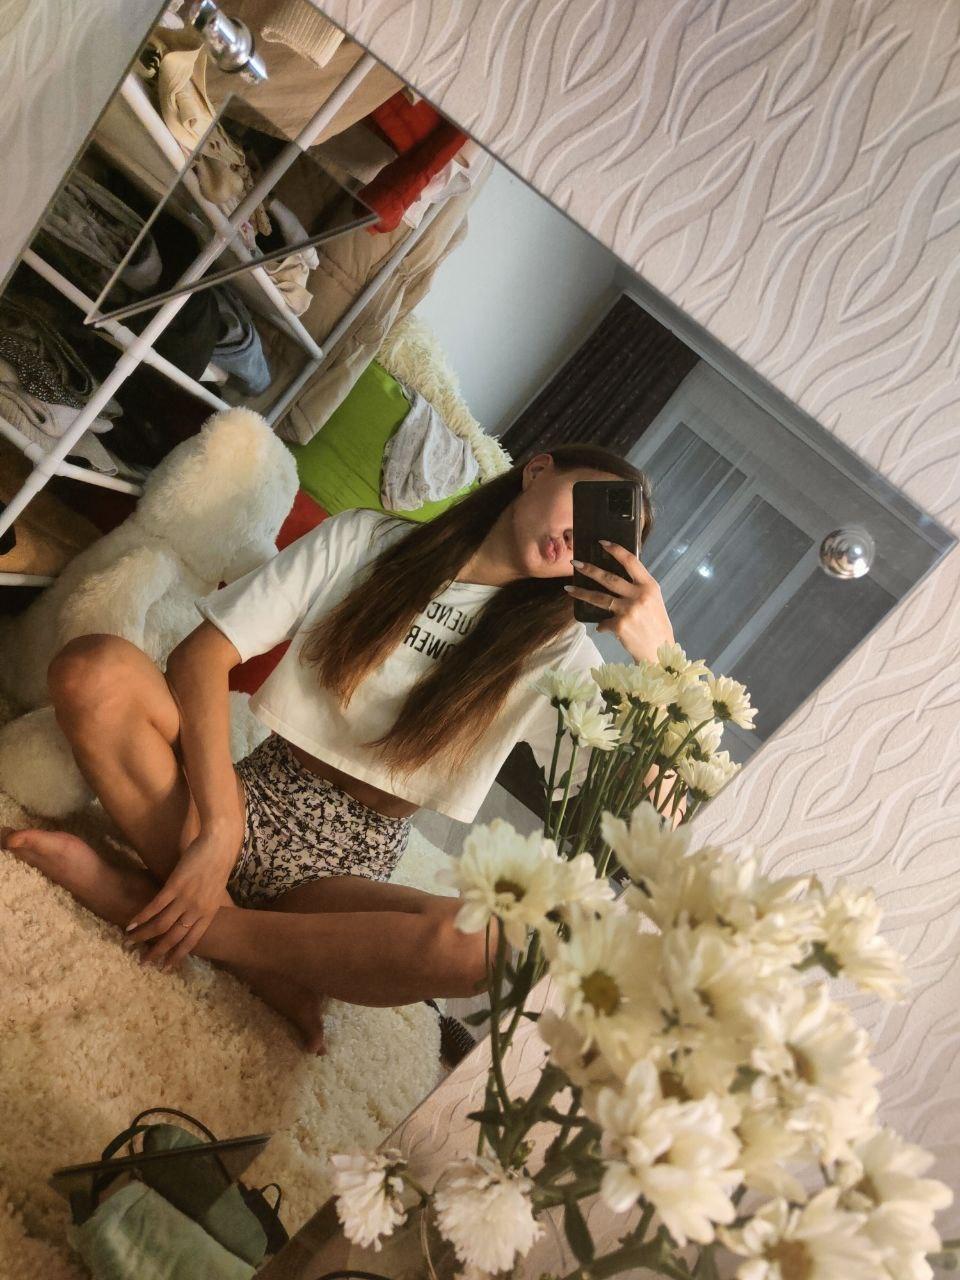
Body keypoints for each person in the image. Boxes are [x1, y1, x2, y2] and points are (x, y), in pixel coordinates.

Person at [3, 446, 675, 1052]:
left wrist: (660, 660)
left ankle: (176, 917)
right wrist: (219, 826)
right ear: (537, 471)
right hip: (239, 797)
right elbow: (202, 656)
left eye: (604, 538)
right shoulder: (366, 539)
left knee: (489, 944)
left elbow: (663, 818)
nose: (577, 537)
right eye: (585, 503)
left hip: (336, 877)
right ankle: (263, 962)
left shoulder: (563, 658)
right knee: (93, 671)